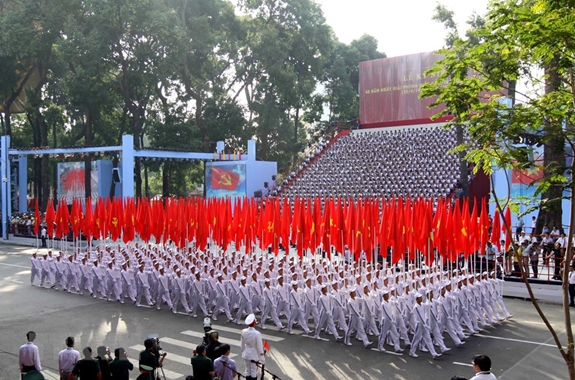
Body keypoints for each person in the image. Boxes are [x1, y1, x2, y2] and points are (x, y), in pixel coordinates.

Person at [240, 314, 265, 380]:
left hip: (246, 352)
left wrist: (243, 351)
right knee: (254, 371)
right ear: (254, 323)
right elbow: (259, 347)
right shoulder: (257, 333)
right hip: (254, 354)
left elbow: (242, 344)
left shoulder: (243, 331)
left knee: (248, 370)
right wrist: (262, 358)